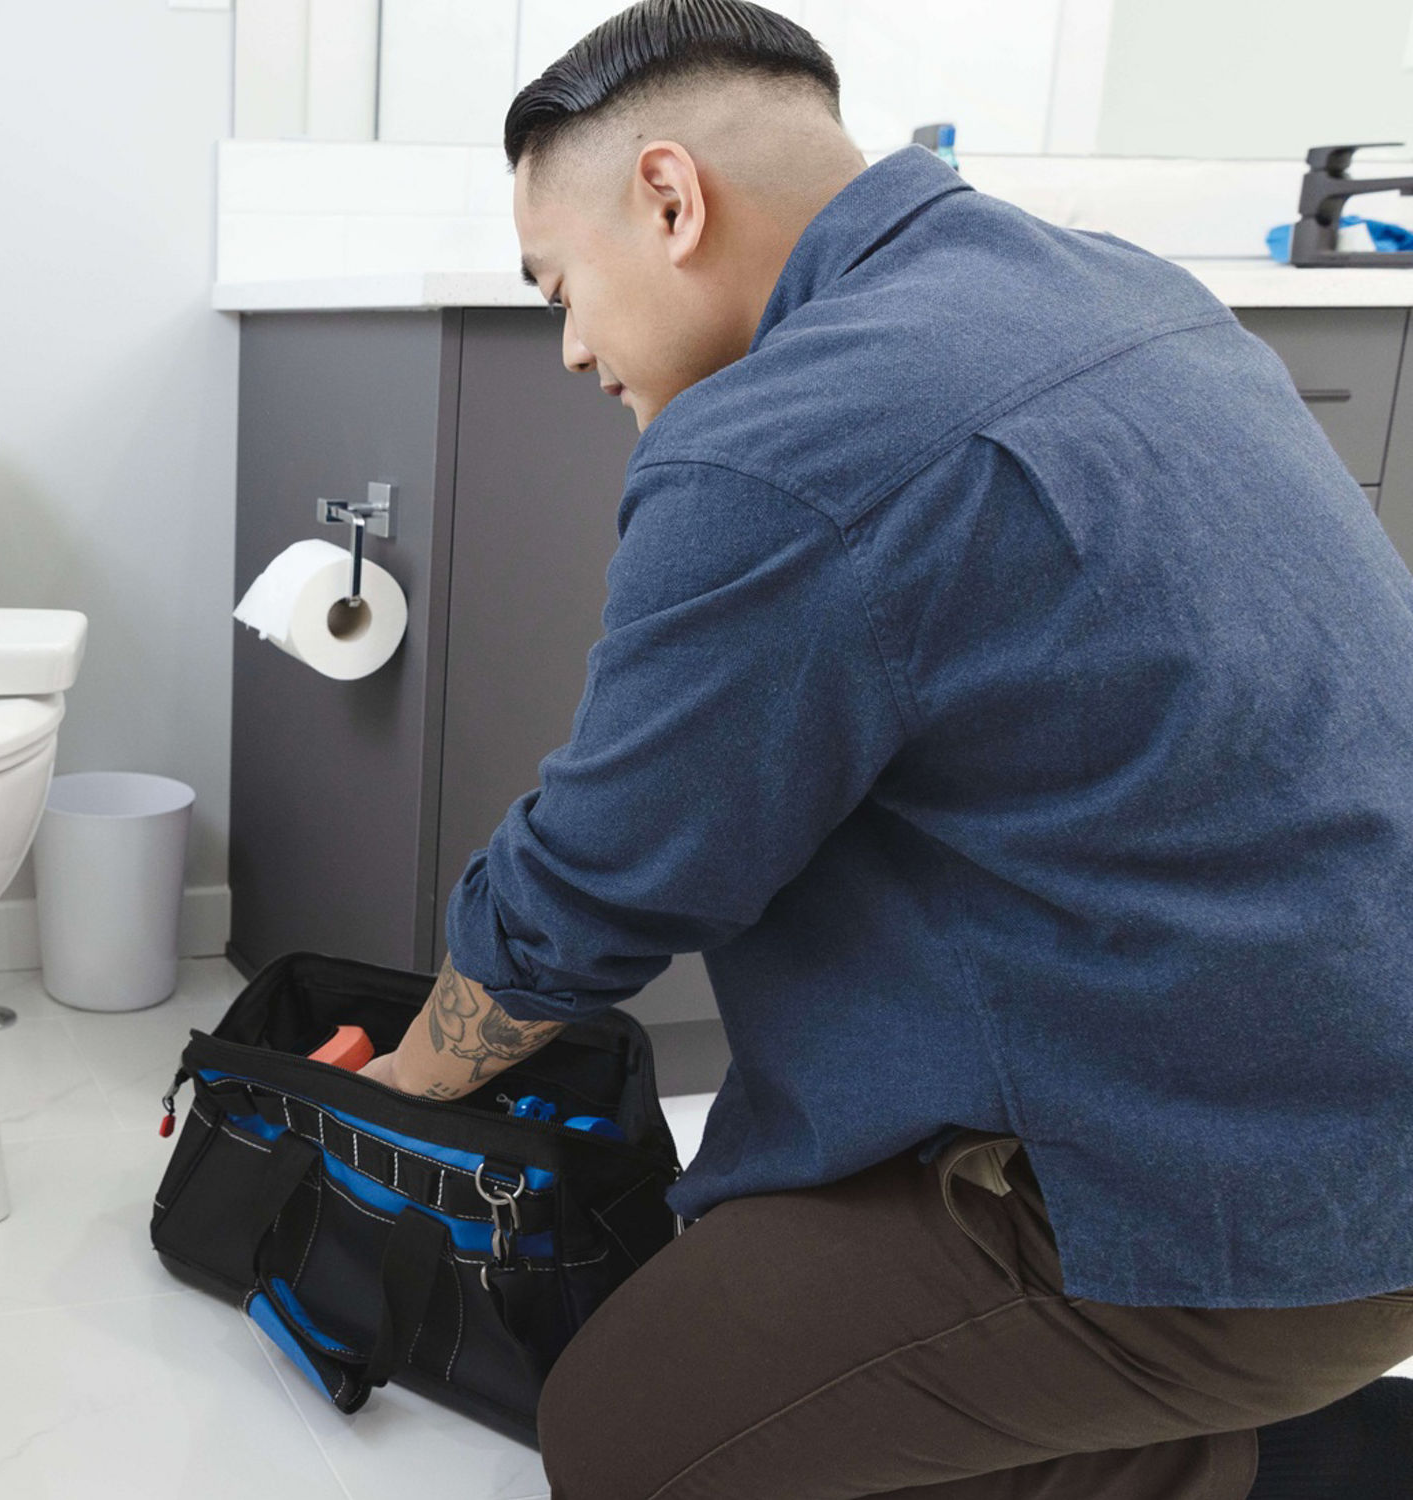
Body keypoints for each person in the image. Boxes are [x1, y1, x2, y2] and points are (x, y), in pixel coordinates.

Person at [352, 2, 1413, 1496]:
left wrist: (407, 1082)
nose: (577, 349)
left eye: (559, 290)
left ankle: (1240, 1444)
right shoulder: (1127, 289)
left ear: (671, 199)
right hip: (1342, 1107)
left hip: (1252, 1222)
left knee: (630, 1431)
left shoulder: (781, 437)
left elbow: (599, 878)